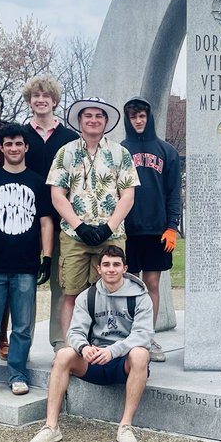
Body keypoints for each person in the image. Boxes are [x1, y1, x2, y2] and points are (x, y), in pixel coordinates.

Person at [27, 245, 152, 442]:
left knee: (140, 354)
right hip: (94, 359)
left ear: (125, 268)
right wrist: (84, 348)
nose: (111, 269)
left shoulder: (140, 296)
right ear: (99, 269)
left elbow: (143, 335)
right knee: (64, 354)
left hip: (122, 362)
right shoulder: (88, 296)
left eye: (116, 265)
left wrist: (113, 351)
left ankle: (126, 427)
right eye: (106, 265)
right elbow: (75, 332)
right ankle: (51, 426)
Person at [0, 124, 55, 399]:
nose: (14, 148)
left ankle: (18, 374)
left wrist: (47, 258)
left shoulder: (38, 182)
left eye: (18, 143)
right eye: (8, 144)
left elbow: (46, 223)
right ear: (2, 148)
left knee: (21, 327)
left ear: (26, 147)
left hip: (26, 266)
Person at [48, 97, 139, 342]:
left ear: (106, 121)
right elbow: (57, 194)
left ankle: (109, 343)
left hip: (111, 234)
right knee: (71, 293)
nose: (93, 120)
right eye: (88, 115)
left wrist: (108, 227)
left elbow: (128, 195)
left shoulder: (120, 153)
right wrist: (79, 225)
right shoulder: (65, 152)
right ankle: (69, 345)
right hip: (75, 235)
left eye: (99, 116)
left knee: (111, 292)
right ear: (80, 120)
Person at [20, 76, 79, 354]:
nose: (41, 99)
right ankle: (22, 341)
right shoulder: (20, 136)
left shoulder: (70, 139)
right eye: (35, 96)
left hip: (61, 221)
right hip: (25, 221)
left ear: (54, 100)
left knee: (61, 282)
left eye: (46, 95)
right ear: (29, 101)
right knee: (24, 285)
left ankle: (59, 340)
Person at [120, 97, 181, 362]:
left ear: (149, 116)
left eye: (142, 115)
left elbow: (173, 193)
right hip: (128, 230)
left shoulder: (167, 151)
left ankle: (147, 336)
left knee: (152, 283)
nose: (138, 120)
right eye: (133, 116)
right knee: (128, 283)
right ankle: (127, 335)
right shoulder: (120, 149)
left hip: (157, 230)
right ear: (128, 120)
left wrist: (172, 226)